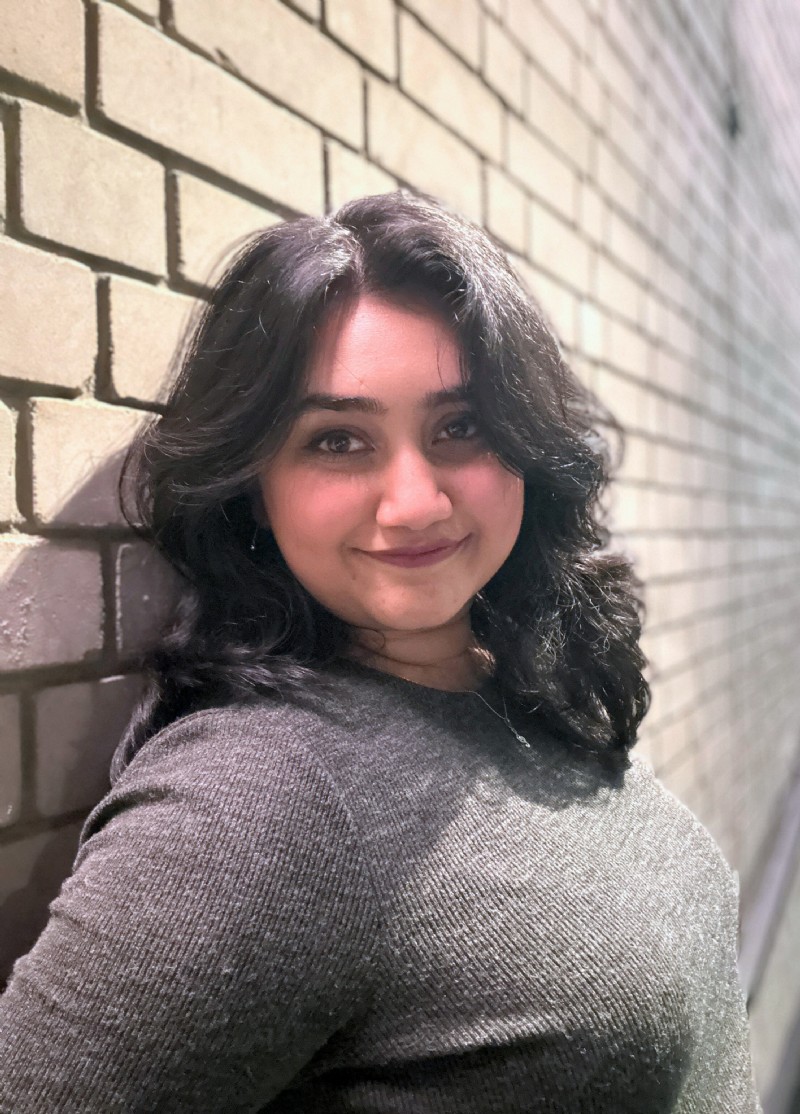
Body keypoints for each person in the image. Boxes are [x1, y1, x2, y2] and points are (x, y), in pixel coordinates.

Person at [0, 190, 761, 1112]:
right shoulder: (261, 798)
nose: (416, 503)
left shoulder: (525, 687)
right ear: (254, 487)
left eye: (460, 427)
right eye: (339, 441)